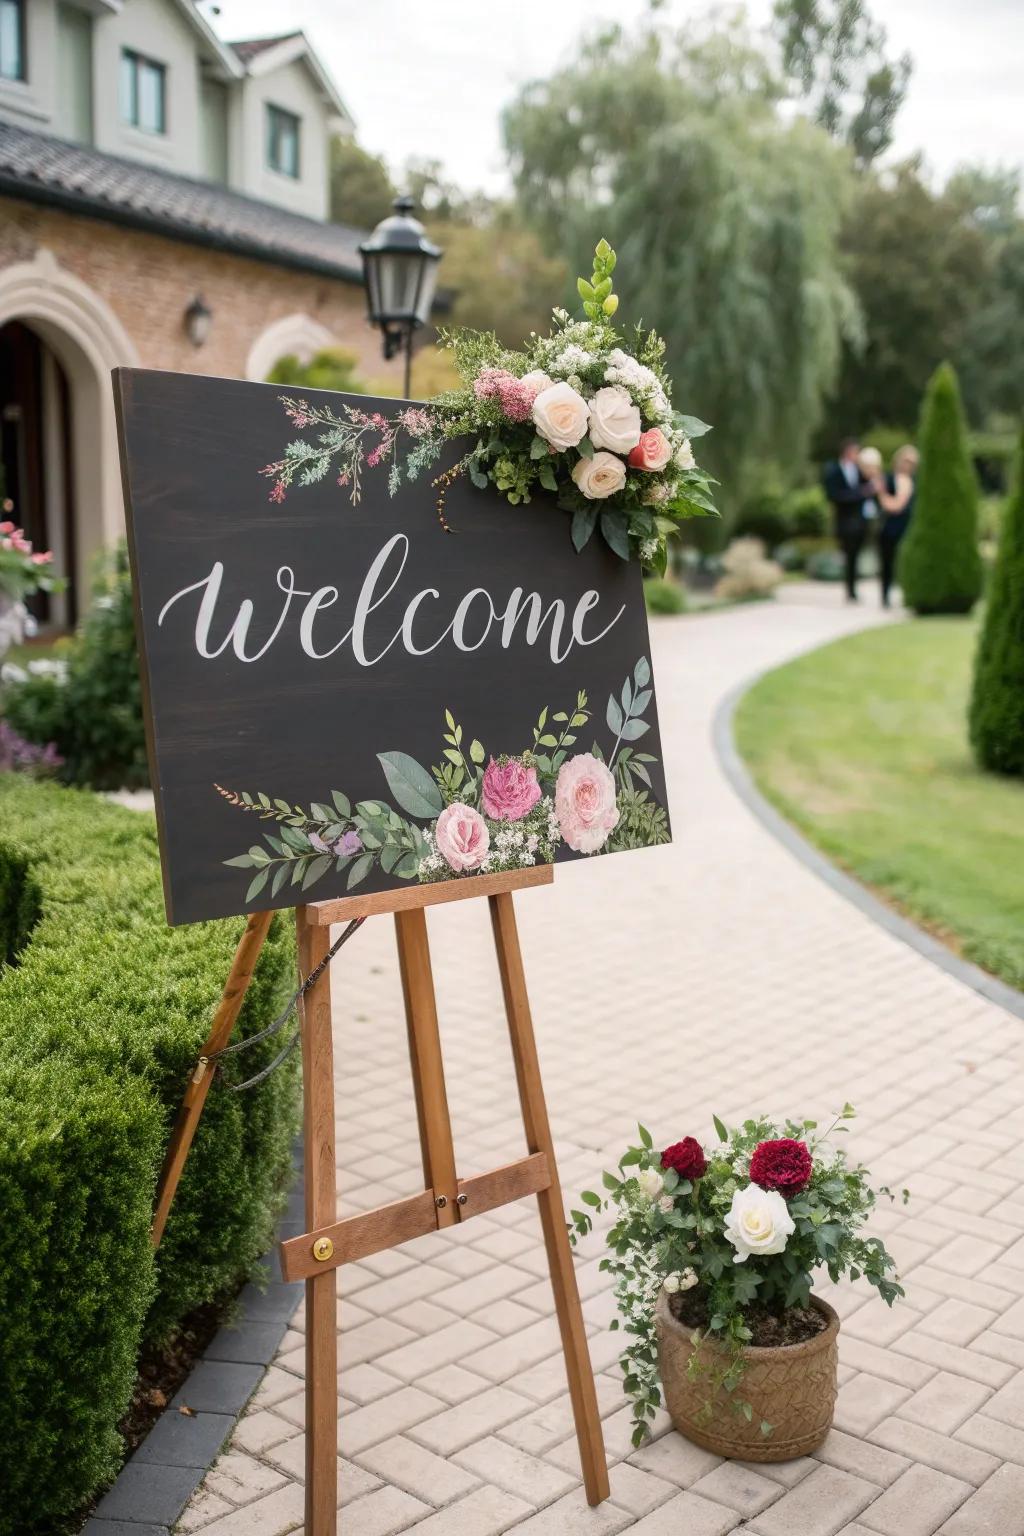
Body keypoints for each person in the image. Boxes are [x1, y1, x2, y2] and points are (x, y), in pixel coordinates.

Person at [823, 439, 876, 602]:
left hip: (860, 520)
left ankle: (853, 589)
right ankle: (849, 589)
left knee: (856, 554)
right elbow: (834, 495)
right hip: (844, 520)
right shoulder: (833, 470)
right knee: (848, 553)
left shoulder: (860, 471)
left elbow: (871, 487)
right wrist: (860, 494)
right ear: (847, 452)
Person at [874, 444, 919, 608]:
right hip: (890, 527)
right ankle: (885, 596)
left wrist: (885, 498)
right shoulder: (888, 479)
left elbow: (896, 505)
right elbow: (888, 505)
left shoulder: (916, 481)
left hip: (908, 526)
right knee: (887, 562)